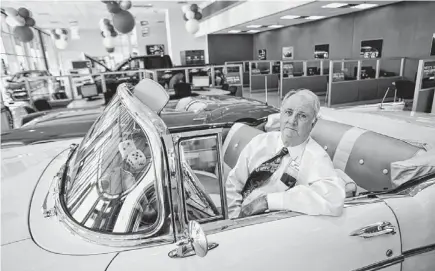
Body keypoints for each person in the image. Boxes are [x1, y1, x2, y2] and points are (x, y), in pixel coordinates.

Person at [226, 89, 345, 219]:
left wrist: (267, 201)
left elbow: (334, 199)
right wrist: (234, 218)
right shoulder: (260, 142)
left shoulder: (317, 157)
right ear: (281, 115)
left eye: (302, 116)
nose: (292, 121)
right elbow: (234, 182)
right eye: (288, 112)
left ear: (313, 123)